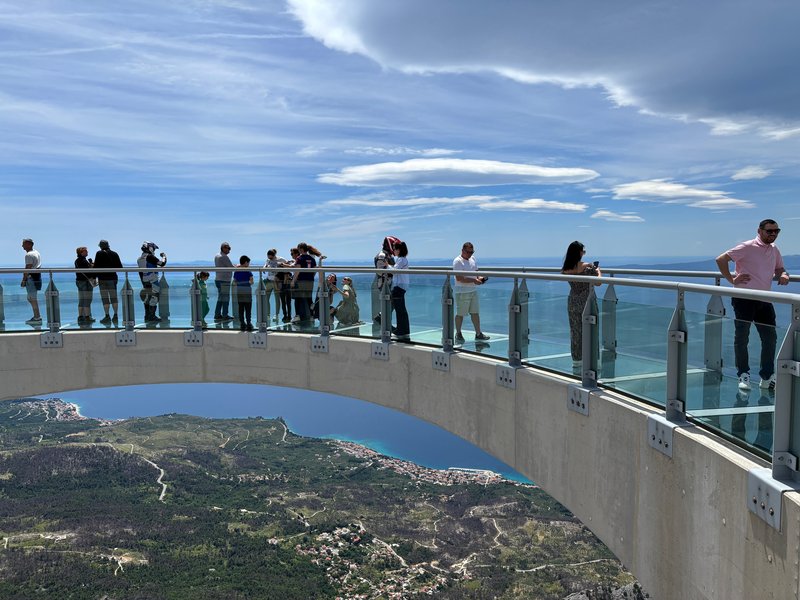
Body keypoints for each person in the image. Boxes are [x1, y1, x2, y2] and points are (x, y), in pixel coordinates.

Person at [716, 219, 790, 391]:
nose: (773, 234)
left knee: (770, 338)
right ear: (759, 231)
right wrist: (731, 279)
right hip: (744, 299)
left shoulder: (774, 249)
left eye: (776, 231)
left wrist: (784, 274)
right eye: (769, 231)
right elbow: (721, 259)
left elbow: (779, 268)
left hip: (765, 299)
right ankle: (743, 375)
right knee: (742, 337)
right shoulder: (747, 246)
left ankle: (767, 377)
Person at [561, 241, 602, 370]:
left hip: (573, 302)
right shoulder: (586, 266)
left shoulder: (566, 268)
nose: (584, 254)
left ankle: (577, 361)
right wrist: (598, 270)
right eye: (583, 251)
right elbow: (598, 283)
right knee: (592, 332)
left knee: (576, 333)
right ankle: (593, 362)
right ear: (579, 252)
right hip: (587, 302)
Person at [453, 242, 490, 344]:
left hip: (473, 290)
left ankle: (478, 333)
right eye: (468, 252)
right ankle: (458, 333)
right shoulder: (457, 261)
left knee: (475, 313)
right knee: (460, 314)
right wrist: (474, 281)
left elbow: (476, 273)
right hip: (462, 292)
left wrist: (480, 278)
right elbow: (459, 278)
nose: (470, 254)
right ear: (462, 251)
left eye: (471, 252)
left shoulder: (473, 259)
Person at [93, 239, 123, 324]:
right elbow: (120, 267)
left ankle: (107, 316)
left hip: (102, 278)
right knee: (114, 297)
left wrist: (94, 277)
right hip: (113, 278)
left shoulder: (99, 253)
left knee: (105, 298)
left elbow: (96, 267)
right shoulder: (114, 253)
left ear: (100, 246)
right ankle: (115, 315)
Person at [372, 236, 400, 325]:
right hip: (385, 284)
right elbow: (380, 272)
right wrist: (393, 271)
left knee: (391, 304)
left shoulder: (387, 255)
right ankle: (383, 322)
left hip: (389, 283)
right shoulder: (382, 255)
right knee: (390, 304)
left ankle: (385, 323)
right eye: (394, 246)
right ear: (389, 245)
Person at [137, 241, 167, 322]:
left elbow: (140, 273)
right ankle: (152, 316)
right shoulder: (150, 257)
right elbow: (162, 263)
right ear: (150, 248)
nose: (154, 250)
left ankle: (147, 316)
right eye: (153, 248)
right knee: (154, 298)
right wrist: (164, 256)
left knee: (147, 298)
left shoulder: (139, 259)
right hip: (153, 280)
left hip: (145, 282)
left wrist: (143, 283)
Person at [389, 241, 410, 340]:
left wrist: (387, 265)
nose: (393, 251)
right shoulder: (403, 259)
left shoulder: (401, 260)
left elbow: (394, 271)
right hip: (402, 286)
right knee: (402, 310)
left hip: (398, 287)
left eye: (395, 249)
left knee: (399, 310)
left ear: (399, 250)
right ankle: (405, 330)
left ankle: (400, 331)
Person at [291, 242, 317, 323]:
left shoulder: (299, 258)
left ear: (301, 249)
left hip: (301, 281)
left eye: (298, 249)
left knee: (298, 298)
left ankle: (297, 316)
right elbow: (315, 270)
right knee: (309, 298)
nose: (298, 250)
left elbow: (297, 271)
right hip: (310, 281)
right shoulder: (312, 259)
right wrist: (310, 277)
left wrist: (293, 281)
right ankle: (312, 316)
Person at [20, 238, 42, 325]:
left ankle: (37, 317)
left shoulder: (29, 255)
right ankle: (37, 316)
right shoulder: (37, 252)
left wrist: (23, 280)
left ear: (29, 244)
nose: (22, 246)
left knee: (32, 298)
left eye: (24, 244)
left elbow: (28, 268)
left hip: (31, 278)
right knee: (32, 298)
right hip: (37, 277)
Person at [74, 246, 96, 324]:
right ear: (81, 252)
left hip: (79, 281)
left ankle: (80, 316)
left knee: (82, 299)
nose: (87, 252)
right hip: (85, 281)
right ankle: (87, 316)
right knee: (88, 299)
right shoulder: (83, 261)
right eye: (85, 251)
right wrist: (92, 267)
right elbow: (88, 272)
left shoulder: (77, 261)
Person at [214, 242, 234, 322]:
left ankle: (217, 314)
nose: (229, 250)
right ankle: (225, 315)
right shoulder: (224, 257)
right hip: (224, 280)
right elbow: (231, 267)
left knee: (220, 298)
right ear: (223, 248)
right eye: (228, 248)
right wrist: (238, 266)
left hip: (218, 279)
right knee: (225, 298)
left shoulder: (217, 256)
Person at [263, 248, 285, 322]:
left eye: (271, 257)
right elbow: (265, 265)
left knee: (277, 299)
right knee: (266, 298)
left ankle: (276, 315)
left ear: (274, 255)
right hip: (269, 281)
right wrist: (264, 268)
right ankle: (268, 314)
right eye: (268, 257)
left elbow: (287, 263)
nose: (270, 258)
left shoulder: (280, 259)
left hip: (276, 281)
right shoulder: (268, 260)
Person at [233, 256, 254, 331]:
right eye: (248, 263)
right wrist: (247, 283)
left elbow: (234, 281)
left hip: (239, 291)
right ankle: (249, 324)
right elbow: (251, 281)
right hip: (247, 291)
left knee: (241, 308)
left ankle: (242, 324)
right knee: (248, 308)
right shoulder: (248, 271)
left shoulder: (236, 271)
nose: (249, 264)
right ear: (245, 262)